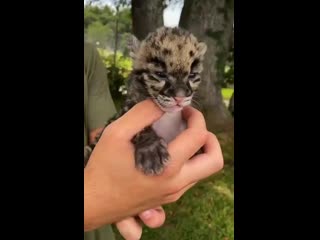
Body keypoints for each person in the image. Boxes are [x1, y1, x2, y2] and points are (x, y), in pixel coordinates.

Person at [84, 42, 224, 239]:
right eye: (160, 75)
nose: (181, 95)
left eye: (191, 77)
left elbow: (103, 135)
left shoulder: (88, 55)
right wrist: (93, 204)